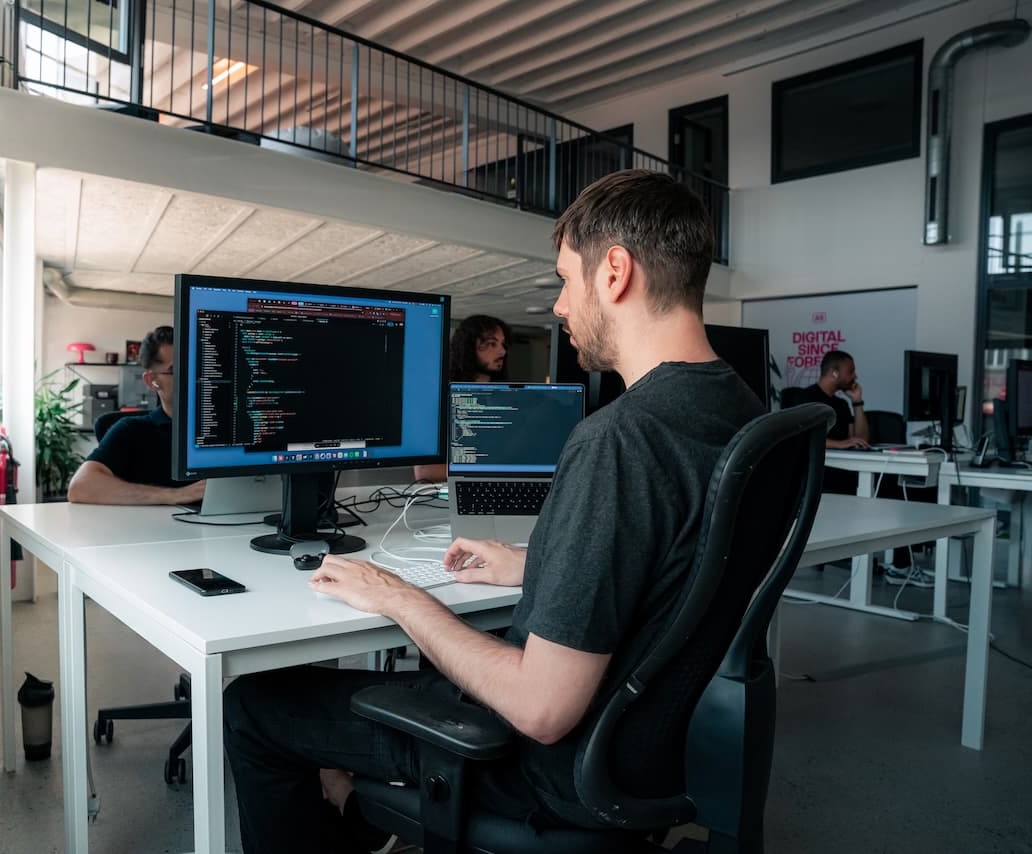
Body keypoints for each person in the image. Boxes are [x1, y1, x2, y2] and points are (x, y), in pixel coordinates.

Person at [222, 169, 765, 854]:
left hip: (553, 769)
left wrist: (398, 596)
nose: (562, 306)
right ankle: (357, 805)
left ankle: (350, 804)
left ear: (616, 272)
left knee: (252, 707)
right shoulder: (743, 413)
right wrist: (540, 565)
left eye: (567, 279)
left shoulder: (619, 439)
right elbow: (683, 567)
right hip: (662, 745)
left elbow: (542, 708)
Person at [66, 325, 205, 506]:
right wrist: (176, 495)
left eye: (196, 365)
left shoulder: (226, 428)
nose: (191, 376)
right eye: (175, 369)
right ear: (151, 381)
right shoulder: (132, 430)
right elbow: (81, 487)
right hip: (160, 532)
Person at [413, 314, 514, 483]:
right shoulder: (439, 399)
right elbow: (425, 472)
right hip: (450, 495)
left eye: (503, 345)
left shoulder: (507, 400)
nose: (502, 352)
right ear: (468, 346)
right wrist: (492, 467)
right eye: (491, 344)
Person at [798, 350, 870, 451]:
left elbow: (861, 441)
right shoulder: (805, 398)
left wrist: (857, 401)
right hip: (815, 464)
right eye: (850, 371)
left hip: (840, 462)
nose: (855, 376)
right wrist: (840, 444)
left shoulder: (842, 404)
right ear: (835, 373)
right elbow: (801, 438)